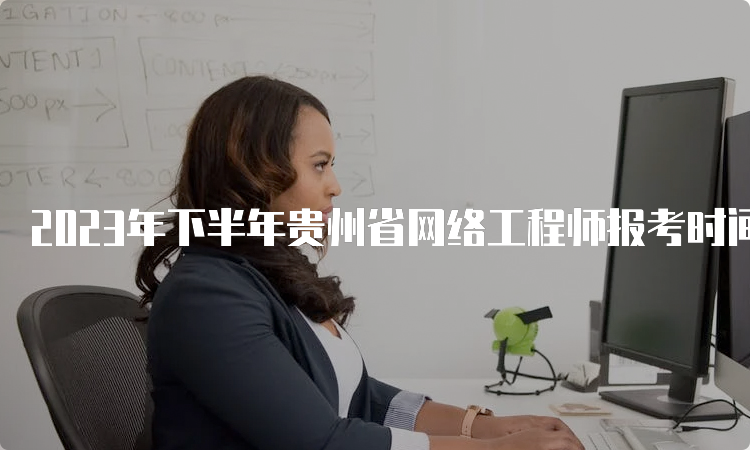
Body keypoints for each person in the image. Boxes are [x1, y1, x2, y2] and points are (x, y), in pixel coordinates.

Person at [135, 75, 585, 450]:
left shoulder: (267, 275)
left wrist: (489, 428)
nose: (334, 185)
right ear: (255, 170)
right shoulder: (207, 296)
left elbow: (365, 401)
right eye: (319, 165)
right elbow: (322, 443)